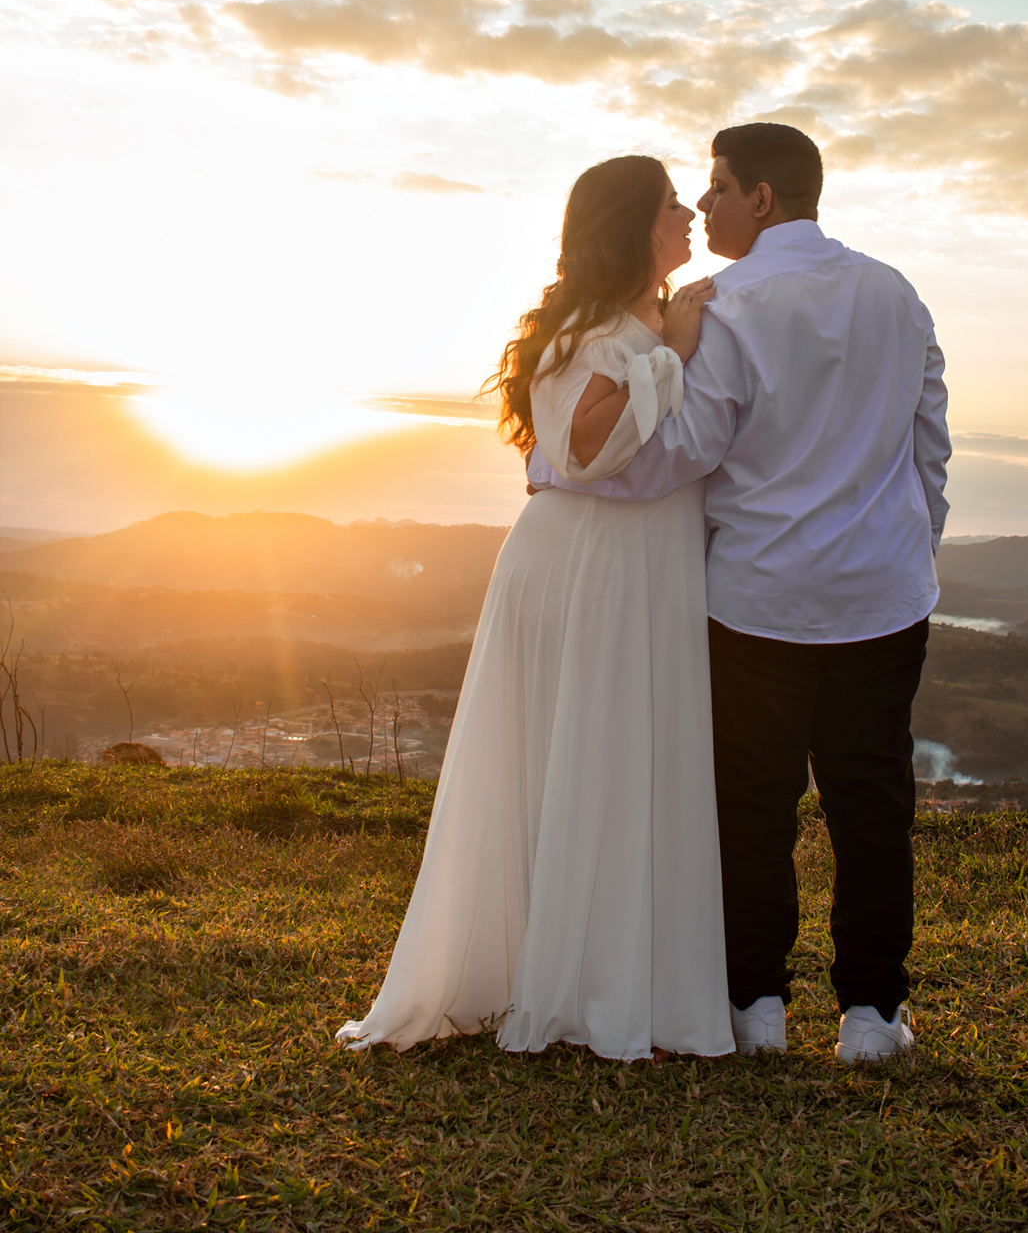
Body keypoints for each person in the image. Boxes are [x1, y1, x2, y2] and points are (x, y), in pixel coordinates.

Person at [528, 123, 951, 1064]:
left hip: (757, 598)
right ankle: (873, 1016)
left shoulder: (727, 305)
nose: (706, 204)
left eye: (718, 188)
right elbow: (930, 447)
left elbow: (686, 447)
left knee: (753, 807)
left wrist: (568, 477)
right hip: (883, 597)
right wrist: (912, 554)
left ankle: (757, 1007)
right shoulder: (896, 293)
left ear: (763, 198)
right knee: (874, 805)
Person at [336, 155, 735, 1063]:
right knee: (589, 750)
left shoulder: (610, 322)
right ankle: (574, 988)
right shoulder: (603, 328)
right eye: (672, 203)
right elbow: (588, 447)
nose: (686, 215)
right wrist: (670, 346)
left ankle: (594, 973)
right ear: (633, 224)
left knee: (602, 755)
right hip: (594, 562)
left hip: (619, 558)